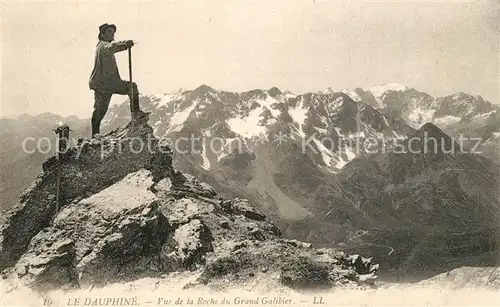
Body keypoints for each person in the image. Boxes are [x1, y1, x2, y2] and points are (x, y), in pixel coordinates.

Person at [89, 23, 148, 138]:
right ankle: (136, 113)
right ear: (102, 34)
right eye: (109, 32)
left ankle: (95, 134)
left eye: (113, 32)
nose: (112, 34)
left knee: (100, 110)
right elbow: (112, 47)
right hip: (108, 83)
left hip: (103, 84)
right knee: (131, 87)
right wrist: (125, 44)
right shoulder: (104, 46)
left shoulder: (100, 47)